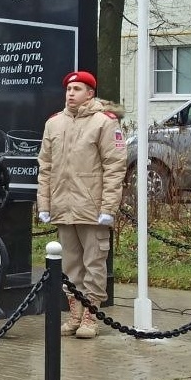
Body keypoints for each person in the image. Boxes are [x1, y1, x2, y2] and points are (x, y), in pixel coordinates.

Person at [36, 70, 127, 339]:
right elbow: (45, 166)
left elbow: (115, 167)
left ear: (90, 93)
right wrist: (45, 203)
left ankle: (91, 315)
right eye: (68, 89)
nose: (71, 93)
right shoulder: (54, 123)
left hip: (92, 208)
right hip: (63, 206)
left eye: (77, 89)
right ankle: (74, 313)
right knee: (69, 264)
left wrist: (108, 209)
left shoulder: (104, 123)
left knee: (94, 263)